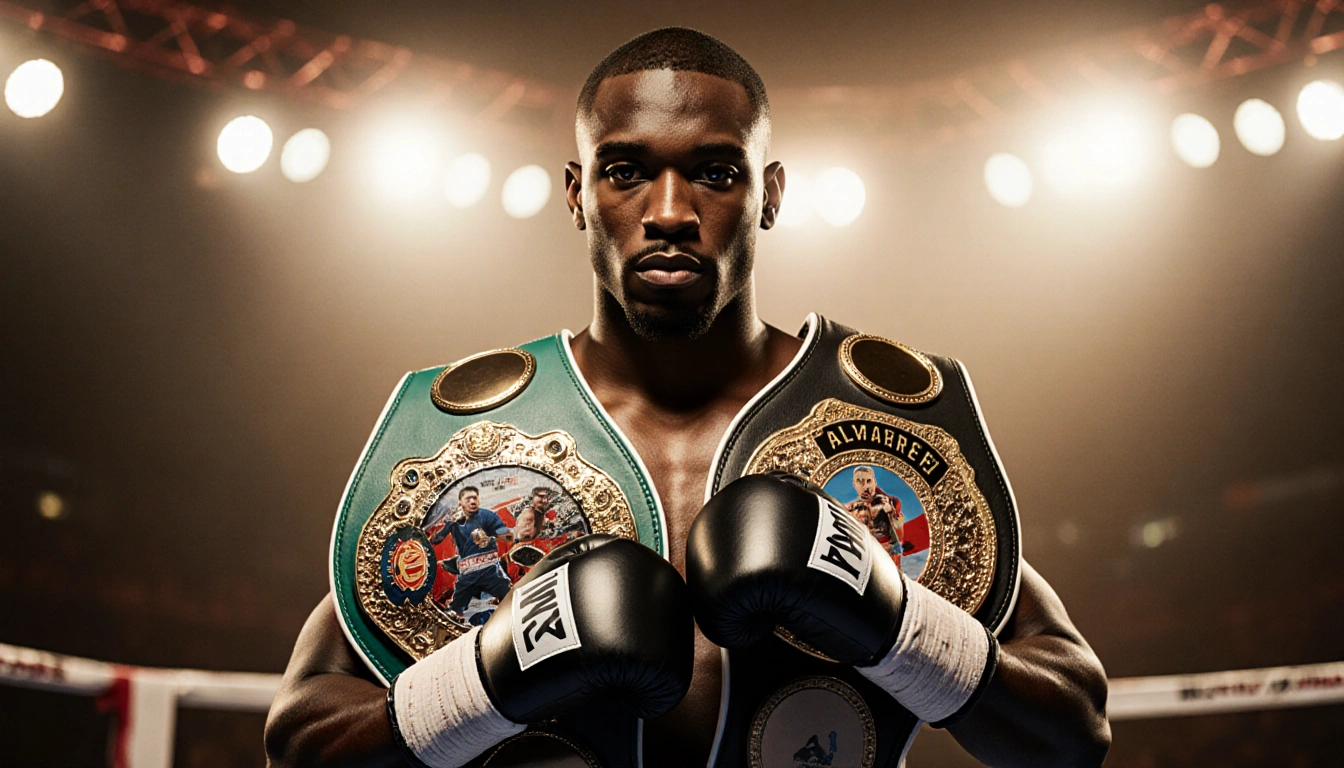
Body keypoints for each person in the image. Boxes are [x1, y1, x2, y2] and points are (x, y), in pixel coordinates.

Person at [264, 27, 1110, 768]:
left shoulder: (874, 433)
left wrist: (889, 620)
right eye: (627, 170)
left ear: (768, 194)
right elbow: (300, 741)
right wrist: (489, 675)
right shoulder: (487, 448)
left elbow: (1074, 728)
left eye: (713, 172)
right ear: (577, 194)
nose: (670, 212)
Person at [427, 486, 513, 624]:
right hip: (467, 575)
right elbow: (435, 540)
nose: (473, 501)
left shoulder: (487, 516)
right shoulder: (453, 522)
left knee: (511, 599)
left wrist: (493, 535)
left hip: (491, 571)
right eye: (468, 499)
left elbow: (507, 537)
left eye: (475, 498)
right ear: (460, 502)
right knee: (453, 613)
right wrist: (449, 525)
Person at [847, 466, 906, 561]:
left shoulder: (888, 503)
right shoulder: (851, 508)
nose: (865, 486)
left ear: (875, 482)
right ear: (854, 484)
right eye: (860, 481)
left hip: (887, 554)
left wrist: (891, 511)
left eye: (869, 481)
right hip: (863, 556)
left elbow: (899, 527)